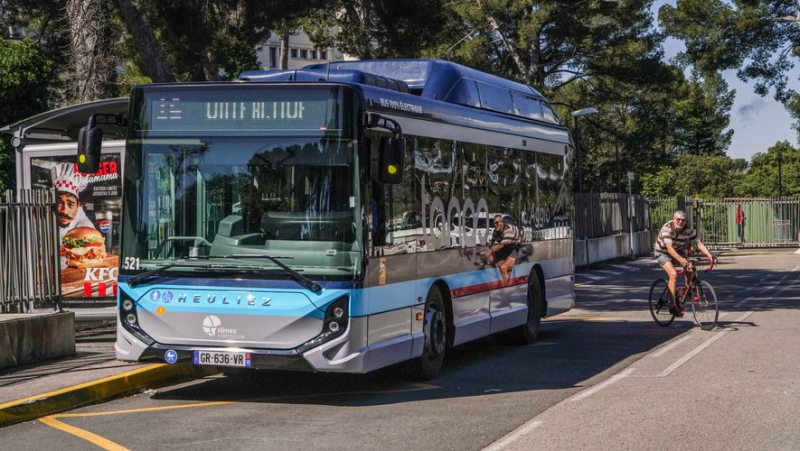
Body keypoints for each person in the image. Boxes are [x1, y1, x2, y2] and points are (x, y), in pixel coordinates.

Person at [653, 210, 715, 316]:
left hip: (677, 249)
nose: (680, 222)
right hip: (662, 252)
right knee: (673, 275)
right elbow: (669, 249)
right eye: (678, 219)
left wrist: (710, 256)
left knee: (690, 267)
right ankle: (673, 306)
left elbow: (699, 243)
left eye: (683, 220)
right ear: (674, 219)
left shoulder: (688, 230)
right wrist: (681, 259)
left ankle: (688, 289)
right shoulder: (667, 228)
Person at [52, 163, 94, 239]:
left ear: (78, 206)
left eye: (70, 204)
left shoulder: (85, 225)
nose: (64, 211)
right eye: (59, 203)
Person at [484, 215, 521, 286]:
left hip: (518, 248)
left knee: (503, 268)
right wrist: (486, 256)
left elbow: (501, 245)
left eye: (497, 222)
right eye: (494, 223)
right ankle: (503, 277)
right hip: (508, 247)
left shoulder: (508, 230)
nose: (495, 225)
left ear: (502, 222)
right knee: (490, 260)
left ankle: (508, 288)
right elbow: (492, 245)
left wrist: (490, 251)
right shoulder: (496, 231)